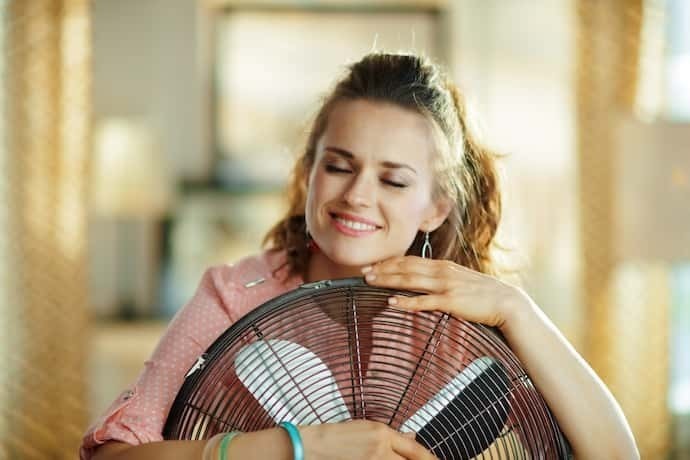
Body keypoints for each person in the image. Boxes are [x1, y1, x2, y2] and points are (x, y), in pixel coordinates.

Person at [82, 52, 639, 460]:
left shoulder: (465, 324)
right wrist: (298, 447)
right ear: (309, 172)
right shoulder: (236, 294)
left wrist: (518, 310)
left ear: (435, 208)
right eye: (340, 167)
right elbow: (113, 456)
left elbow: (617, 455)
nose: (356, 196)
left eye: (394, 181)